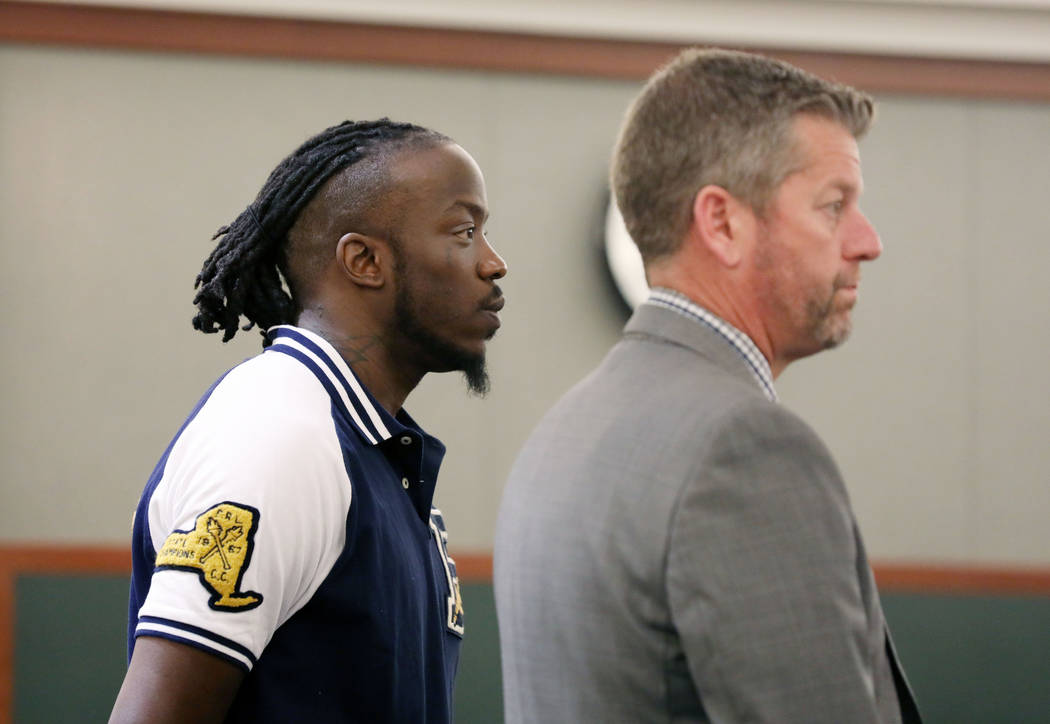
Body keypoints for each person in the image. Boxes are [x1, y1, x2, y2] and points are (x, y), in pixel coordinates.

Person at [494, 48, 921, 723]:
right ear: (722, 223)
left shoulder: (563, 432)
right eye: (834, 205)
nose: (867, 241)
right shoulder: (744, 451)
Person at [109, 118, 507, 723]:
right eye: (464, 231)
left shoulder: (366, 443)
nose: (493, 263)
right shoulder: (280, 435)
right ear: (365, 261)